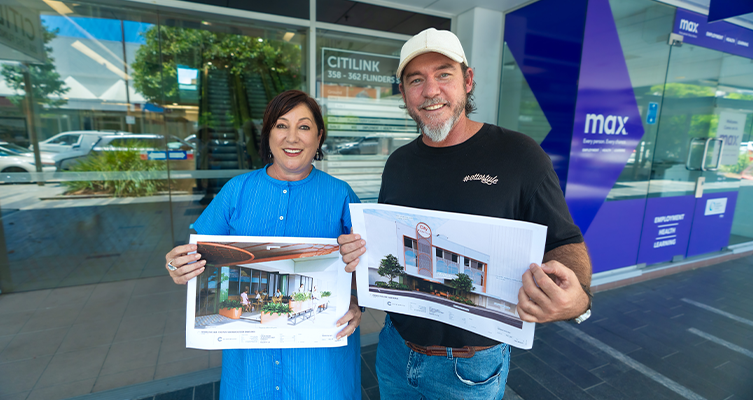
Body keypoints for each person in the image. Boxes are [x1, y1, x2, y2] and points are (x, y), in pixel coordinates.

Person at [338, 28, 592, 400]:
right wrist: (359, 270)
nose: (430, 91)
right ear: (404, 93)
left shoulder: (520, 155)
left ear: (467, 80)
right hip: (394, 350)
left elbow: (565, 241)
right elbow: (388, 244)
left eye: (444, 74)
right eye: (416, 80)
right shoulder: (398, 163)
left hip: (469, 367)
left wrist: (578, 299)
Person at [166, 90, 362, 399]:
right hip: (250, 370)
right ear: (267, 133)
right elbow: (197, 255)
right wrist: (178, 266)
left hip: (319, 369)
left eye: (304, 126)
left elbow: (364, 268)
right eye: (281, 125)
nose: (292, 138)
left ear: (319, 136)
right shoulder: (237, 191)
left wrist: (355, 302)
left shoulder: (340, 195)